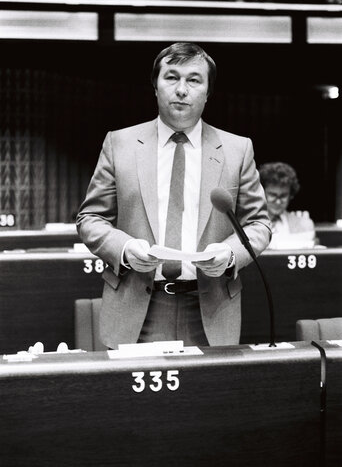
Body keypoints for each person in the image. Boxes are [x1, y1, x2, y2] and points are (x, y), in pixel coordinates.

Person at [76, 42, 271, 349]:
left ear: (208, 93)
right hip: (138, 307)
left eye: (194, 80)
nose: (182, 89)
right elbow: (90, 218)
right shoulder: (120, 144)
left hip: (211, 308)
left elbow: (259, 224)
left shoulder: (237, 150)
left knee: (208, 397)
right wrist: (125, 248)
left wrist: (231, 254)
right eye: (171, 77)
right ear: (155, 86)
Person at [259, 161, 316, 249]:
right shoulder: (248, 223)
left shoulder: (305, 224)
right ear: (262, 193)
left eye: (283, 196)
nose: (278, 201)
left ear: (291, 195)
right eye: (272, 195)